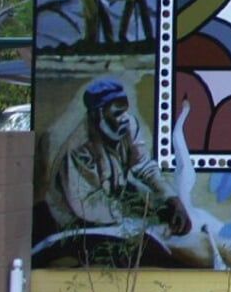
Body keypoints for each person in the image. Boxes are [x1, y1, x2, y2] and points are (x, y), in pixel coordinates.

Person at [49, 79, 189, 237]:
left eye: (125, 110)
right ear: (97, 114)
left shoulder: (129, 126)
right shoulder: (79, 148)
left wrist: (171, 199)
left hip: (114, 204)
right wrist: (138, 212)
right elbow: (86, 205)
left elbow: (144, 166)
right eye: (117, 113)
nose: (125, 118)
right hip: (75, 221)